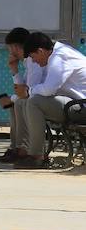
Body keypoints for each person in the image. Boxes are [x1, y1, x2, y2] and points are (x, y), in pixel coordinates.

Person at [14, 32, 86, 170]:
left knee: (34, 102)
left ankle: (36, 156)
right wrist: (29, 91)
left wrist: (29, 91)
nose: (34, 61)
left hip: (81, 106)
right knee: (24, 102)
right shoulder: (54, 55)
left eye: (33, 57)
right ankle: (24, 149)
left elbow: (48, 89)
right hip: (75, 103)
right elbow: (42, 87)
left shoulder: (59, 57)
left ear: (40, 51)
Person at [0, 26, 42, 166]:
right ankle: (15, 147)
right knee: (15, 103)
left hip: (39, 101)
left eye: (9, 48)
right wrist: (14, 70)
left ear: (15, 47)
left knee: (18, 103)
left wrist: (12, 98)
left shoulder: (33, 63)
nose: (9, 52)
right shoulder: (28, 63)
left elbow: (26, 93)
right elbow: (22, 89)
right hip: (34, 98)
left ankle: (22, 148)